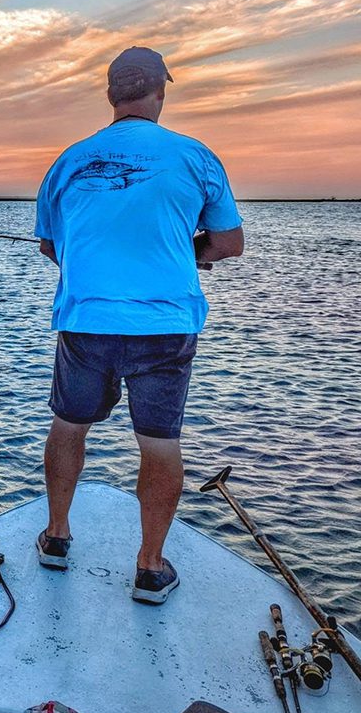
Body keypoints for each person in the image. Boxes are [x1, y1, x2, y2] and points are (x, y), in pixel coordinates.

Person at [32, 46, 244, 604]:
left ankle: (56, 538)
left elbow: (53, 245)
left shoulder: (69, 160)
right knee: (159, 442)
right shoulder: (194, 156)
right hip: (165, 326)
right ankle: (149, 568)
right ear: (161, 92)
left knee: (68, 426)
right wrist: (187, 251)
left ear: (110, 95)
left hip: (86, 322)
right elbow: (228, 243)